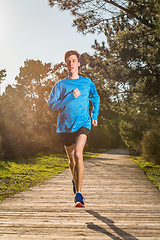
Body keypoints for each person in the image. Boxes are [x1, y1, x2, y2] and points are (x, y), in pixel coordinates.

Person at [48, 50, 100, 207]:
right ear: (66, 64)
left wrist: (94, 115)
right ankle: (74, 179)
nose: (71, 63)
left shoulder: (87, 82)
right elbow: (52, 105)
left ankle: (79, 194)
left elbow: (95, 97)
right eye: (68, 61)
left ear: (78, 63)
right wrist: (70, 96)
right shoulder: (60, 85)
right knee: (71, 161)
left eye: (74, 60)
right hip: (65, 127)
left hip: (83, 124)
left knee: (78, 155)